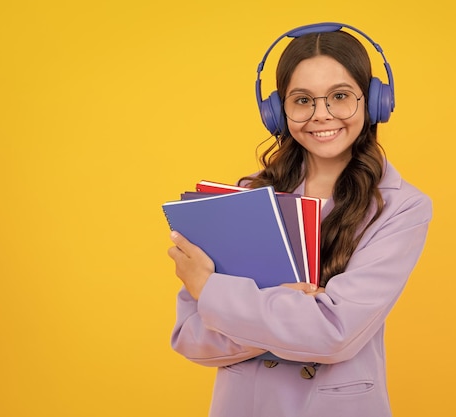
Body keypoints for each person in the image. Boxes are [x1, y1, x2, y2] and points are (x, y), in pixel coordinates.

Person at [167, 22, 432, 417]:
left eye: (340, 96)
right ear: (277, 111)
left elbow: (334, 335)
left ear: (374, 101)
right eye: (302, 100)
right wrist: (289, 311)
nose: (321, 115)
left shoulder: (402, 207)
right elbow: (190, 339)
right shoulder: (242, 199)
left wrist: (213, 292)